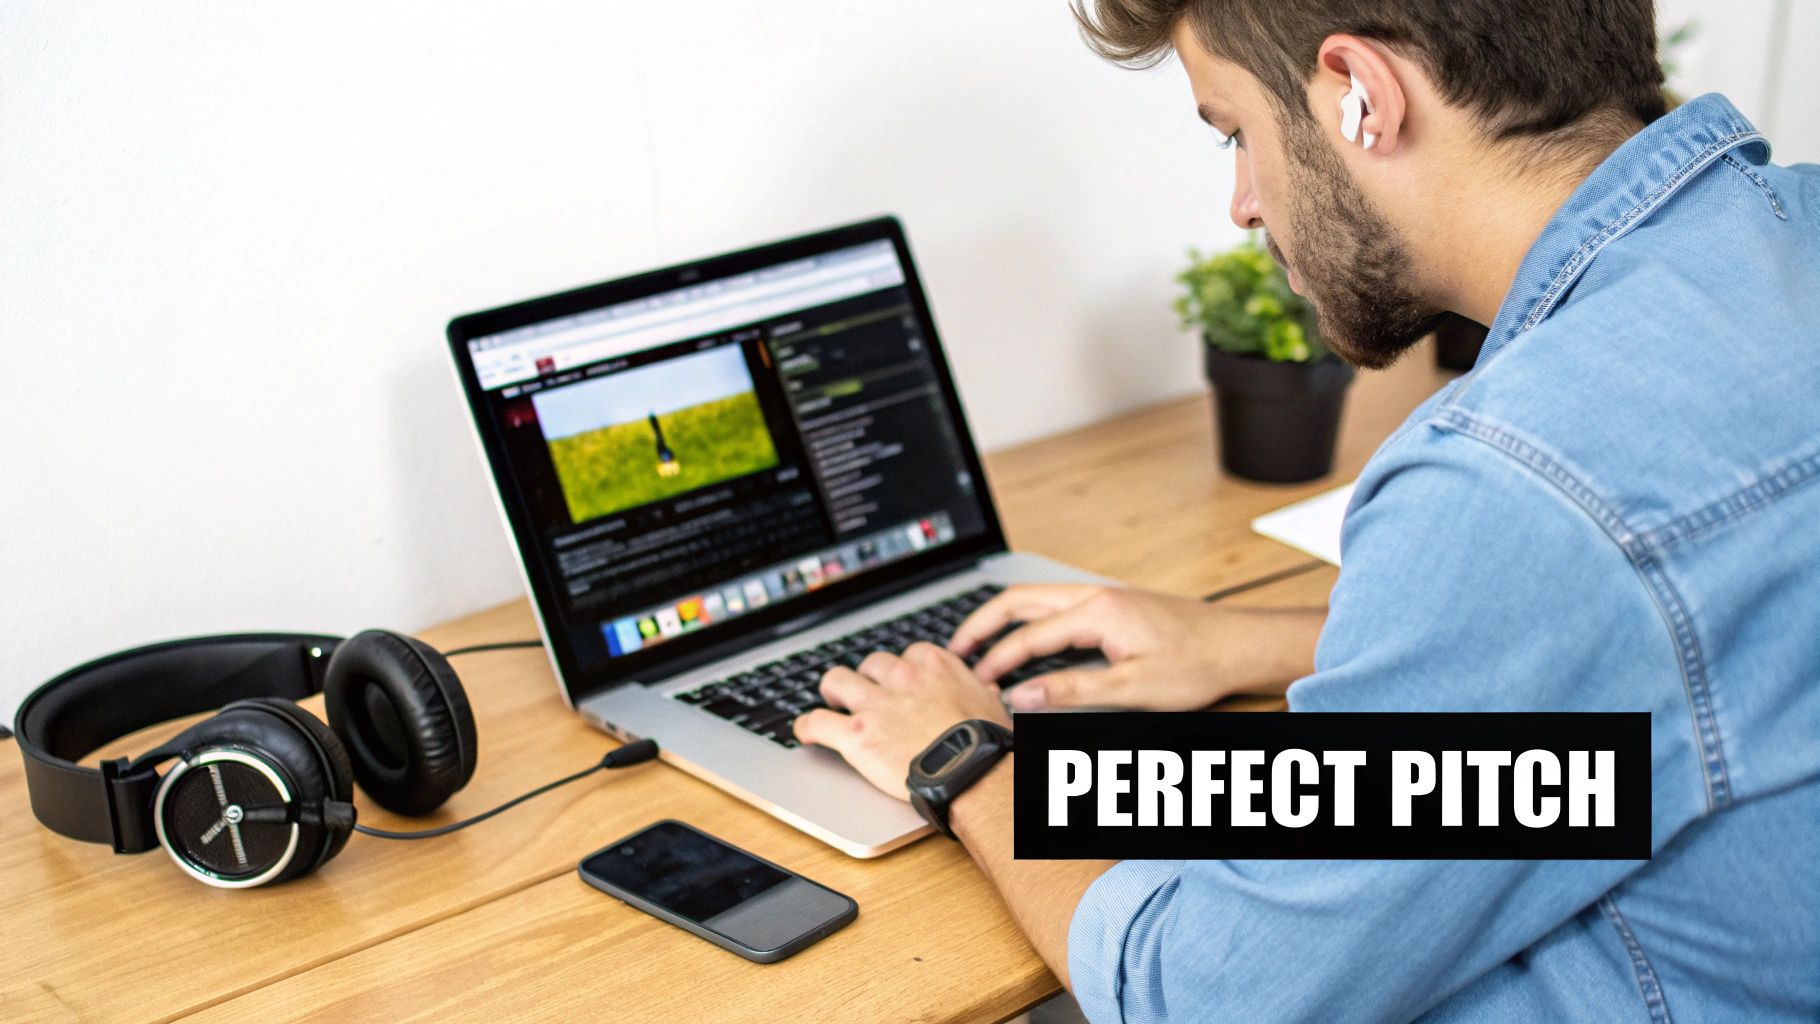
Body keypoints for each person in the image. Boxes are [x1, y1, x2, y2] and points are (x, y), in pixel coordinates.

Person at [790, 0, 1820, 1020]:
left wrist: (964, 759)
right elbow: (1681, 638)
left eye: (1235, 131)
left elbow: (1196, 995)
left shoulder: (1519, 481)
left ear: (1360, 96)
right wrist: (1260, 642)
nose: (1241, 201)